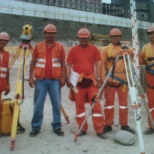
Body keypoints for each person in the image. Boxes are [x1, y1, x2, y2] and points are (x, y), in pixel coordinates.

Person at [66, 28, 107, 139]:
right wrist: (67, 79)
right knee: (79, 106)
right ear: (78, 38)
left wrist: (98, 78)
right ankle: (82, 127)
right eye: (82, 38)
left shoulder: (94, 49)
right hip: (78, 84)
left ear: (89, 38)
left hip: (91, 82)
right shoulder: (73, 50)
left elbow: (98, 63)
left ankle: (99, 129)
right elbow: (69, 65)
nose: (84, 40)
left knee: (96, 104)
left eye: (86, 38)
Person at [29, 24, 66, 137]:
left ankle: (57, 125)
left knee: (56, 103)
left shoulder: (60, 47)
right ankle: (36, 126)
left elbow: (63, 63)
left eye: (52, 33)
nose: (50, 35)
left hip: (55, 80)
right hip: (41, 80)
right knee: (38, 104)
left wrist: (63, 77)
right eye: (48, 33)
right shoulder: (38, 46)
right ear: (44, 34)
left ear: (55, 34)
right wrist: (31, 77)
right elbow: (33, 62)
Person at [101, 28, 135, 134]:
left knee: (123, 105)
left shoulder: (127, 50)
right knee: (109, 104)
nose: (115, 38)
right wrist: (103, 80)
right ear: (110, 37)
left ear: (120, 37)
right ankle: (108, 125)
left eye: (117, 36)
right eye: (113, 36)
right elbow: (102, 65)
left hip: (123, 83)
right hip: (110, 82)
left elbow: (131, 61)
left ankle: (124, 125)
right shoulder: (106, 50)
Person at [139, 26, 154, 135]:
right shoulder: (145, 48)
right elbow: (141, 63)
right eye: (150, 33)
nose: (152, 35)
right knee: (151, 104)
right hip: (151, 79)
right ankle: (152, 125)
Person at [0, 32, 10, 134]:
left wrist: (8, 84)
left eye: (5, 41)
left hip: (1, 85)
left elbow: (7, 69)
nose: (2, 42)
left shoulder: (7, 54)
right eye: (1, 40)